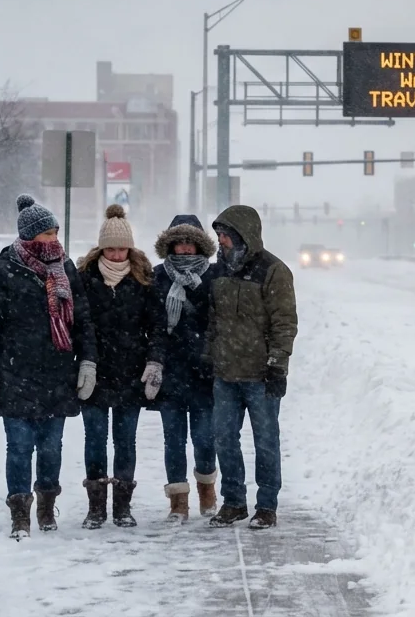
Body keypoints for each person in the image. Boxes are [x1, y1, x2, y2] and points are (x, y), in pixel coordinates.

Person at [0, 194, 98, 540]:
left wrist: (87, 362)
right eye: (46, 234)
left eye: (55, 232)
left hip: (57, 374)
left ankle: (46, 505)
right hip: (14, 374)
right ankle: (19, 511)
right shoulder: (3, 272)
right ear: (30, 237)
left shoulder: (66, 269)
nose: (53, 240)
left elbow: (83, 322)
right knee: (19, 446)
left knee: (50, 447)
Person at [205, 205, 298, 530]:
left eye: (226, 235)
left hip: (260, 375)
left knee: (266, 441)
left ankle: (267, 506)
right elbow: (212, 320)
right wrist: (210, 356)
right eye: (219, 235)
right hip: (226, 374)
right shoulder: (219, 270)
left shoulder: (273, 271)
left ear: (244, 235)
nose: (222, 241)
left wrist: (278, 365)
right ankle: (233, 503)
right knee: (224, 439)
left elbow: (284, 322)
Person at [75, 204, 163, 529]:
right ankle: (96, 507)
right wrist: (83, 362)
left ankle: (123, 507)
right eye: (109, 248)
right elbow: (78, 325)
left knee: (125, 441)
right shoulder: (84, 279)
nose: (115, 255)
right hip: (94, 374)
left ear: (130, 247)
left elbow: (156, 326)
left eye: (121, 248)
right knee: (95, 439)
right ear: (100, 247)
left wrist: (154, 362)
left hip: (130, 374)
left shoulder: (143, 279)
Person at [148, 214, 221, 522]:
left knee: (205, 438)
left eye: (191, 243)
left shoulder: (215, 277)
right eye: (180, 243)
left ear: (200, 245)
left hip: (206, 372)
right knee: (174, 440)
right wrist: (154, 361)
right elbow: (152, 323)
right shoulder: (157, 277)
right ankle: (178, 500)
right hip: (171, 372)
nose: (185, 249)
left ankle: (207, 488)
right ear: (171, 245)